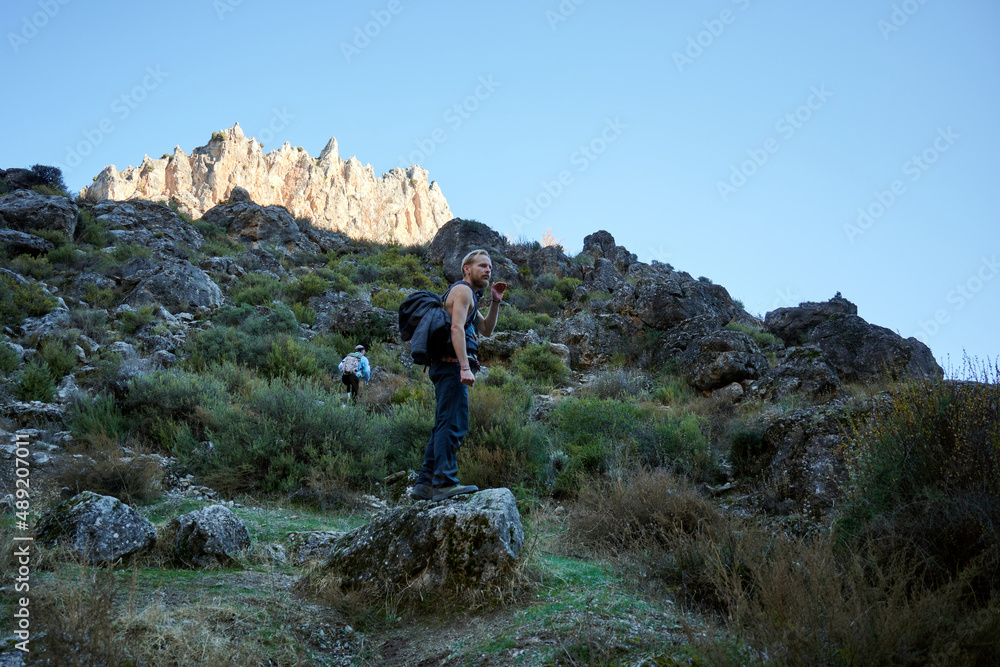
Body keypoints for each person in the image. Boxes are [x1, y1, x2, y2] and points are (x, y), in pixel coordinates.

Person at [411, 250, 506, 502]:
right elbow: (456, 328)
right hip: (452, 366)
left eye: (490, 267)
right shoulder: (463, 291)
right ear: (467, 268)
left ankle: (424, 484)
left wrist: (495, 301)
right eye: (482, 266)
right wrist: (464, 367)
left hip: (446, 366)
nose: (488, 270)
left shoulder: (470, 295)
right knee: (454, 424)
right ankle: (444, 483)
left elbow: (485, 330)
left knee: (444, 423)